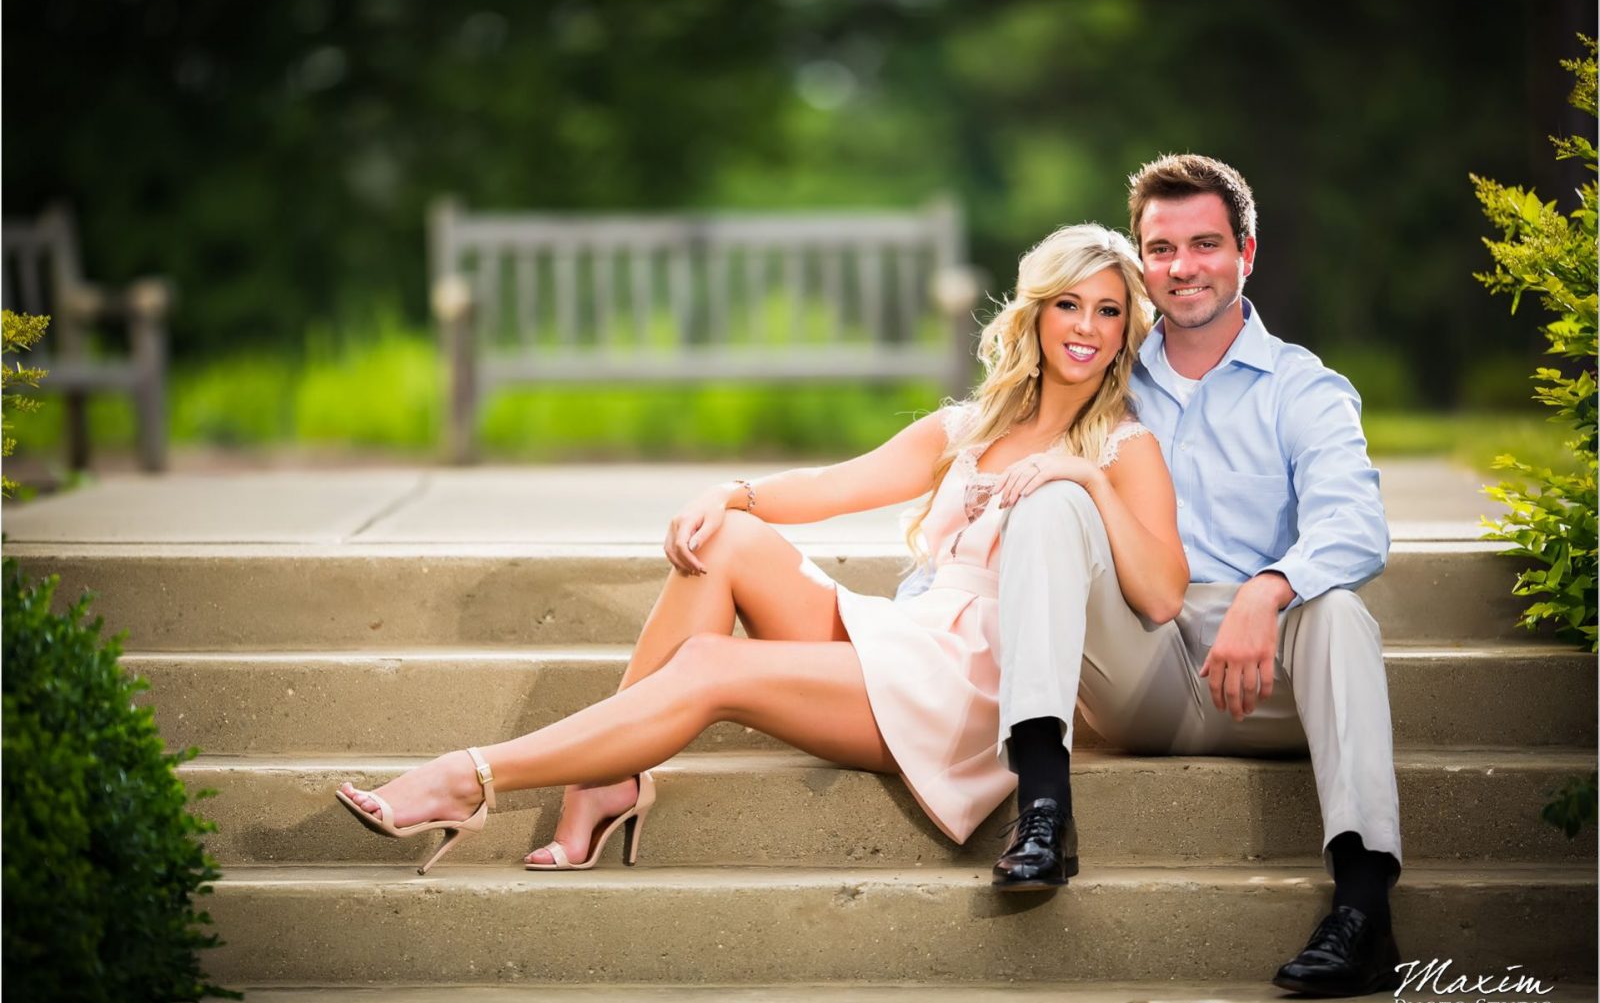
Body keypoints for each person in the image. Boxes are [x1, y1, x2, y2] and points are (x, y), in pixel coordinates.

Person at [335, 222, 1188, 881]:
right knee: (728, 542)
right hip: (913, 639)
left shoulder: (1123, 446)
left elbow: (1160, 596)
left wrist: (1089, 483)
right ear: (1035, 313)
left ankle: (471, 776)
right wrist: (731, 493)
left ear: (1126, 331)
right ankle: (608, 778)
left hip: (974, 690)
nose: (1086, 326)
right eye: (1068, 304)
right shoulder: (971, 426)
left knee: (711, 665)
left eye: (1109, 310)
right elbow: (834, 483)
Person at [987, 154, 1402, 997]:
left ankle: (1363, 908)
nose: (1182, 267)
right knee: (1053, 499)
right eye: (1162, 248)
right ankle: (1042, 810)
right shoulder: (1103, 373)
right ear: (1143, 262)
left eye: (1204, 244)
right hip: (1141, 664)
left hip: (1268, 673)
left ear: (1246, 254)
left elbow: (1356, 525)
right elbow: (989, 477)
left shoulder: (1303, 388)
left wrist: (1268, 588)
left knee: (1342, 615)